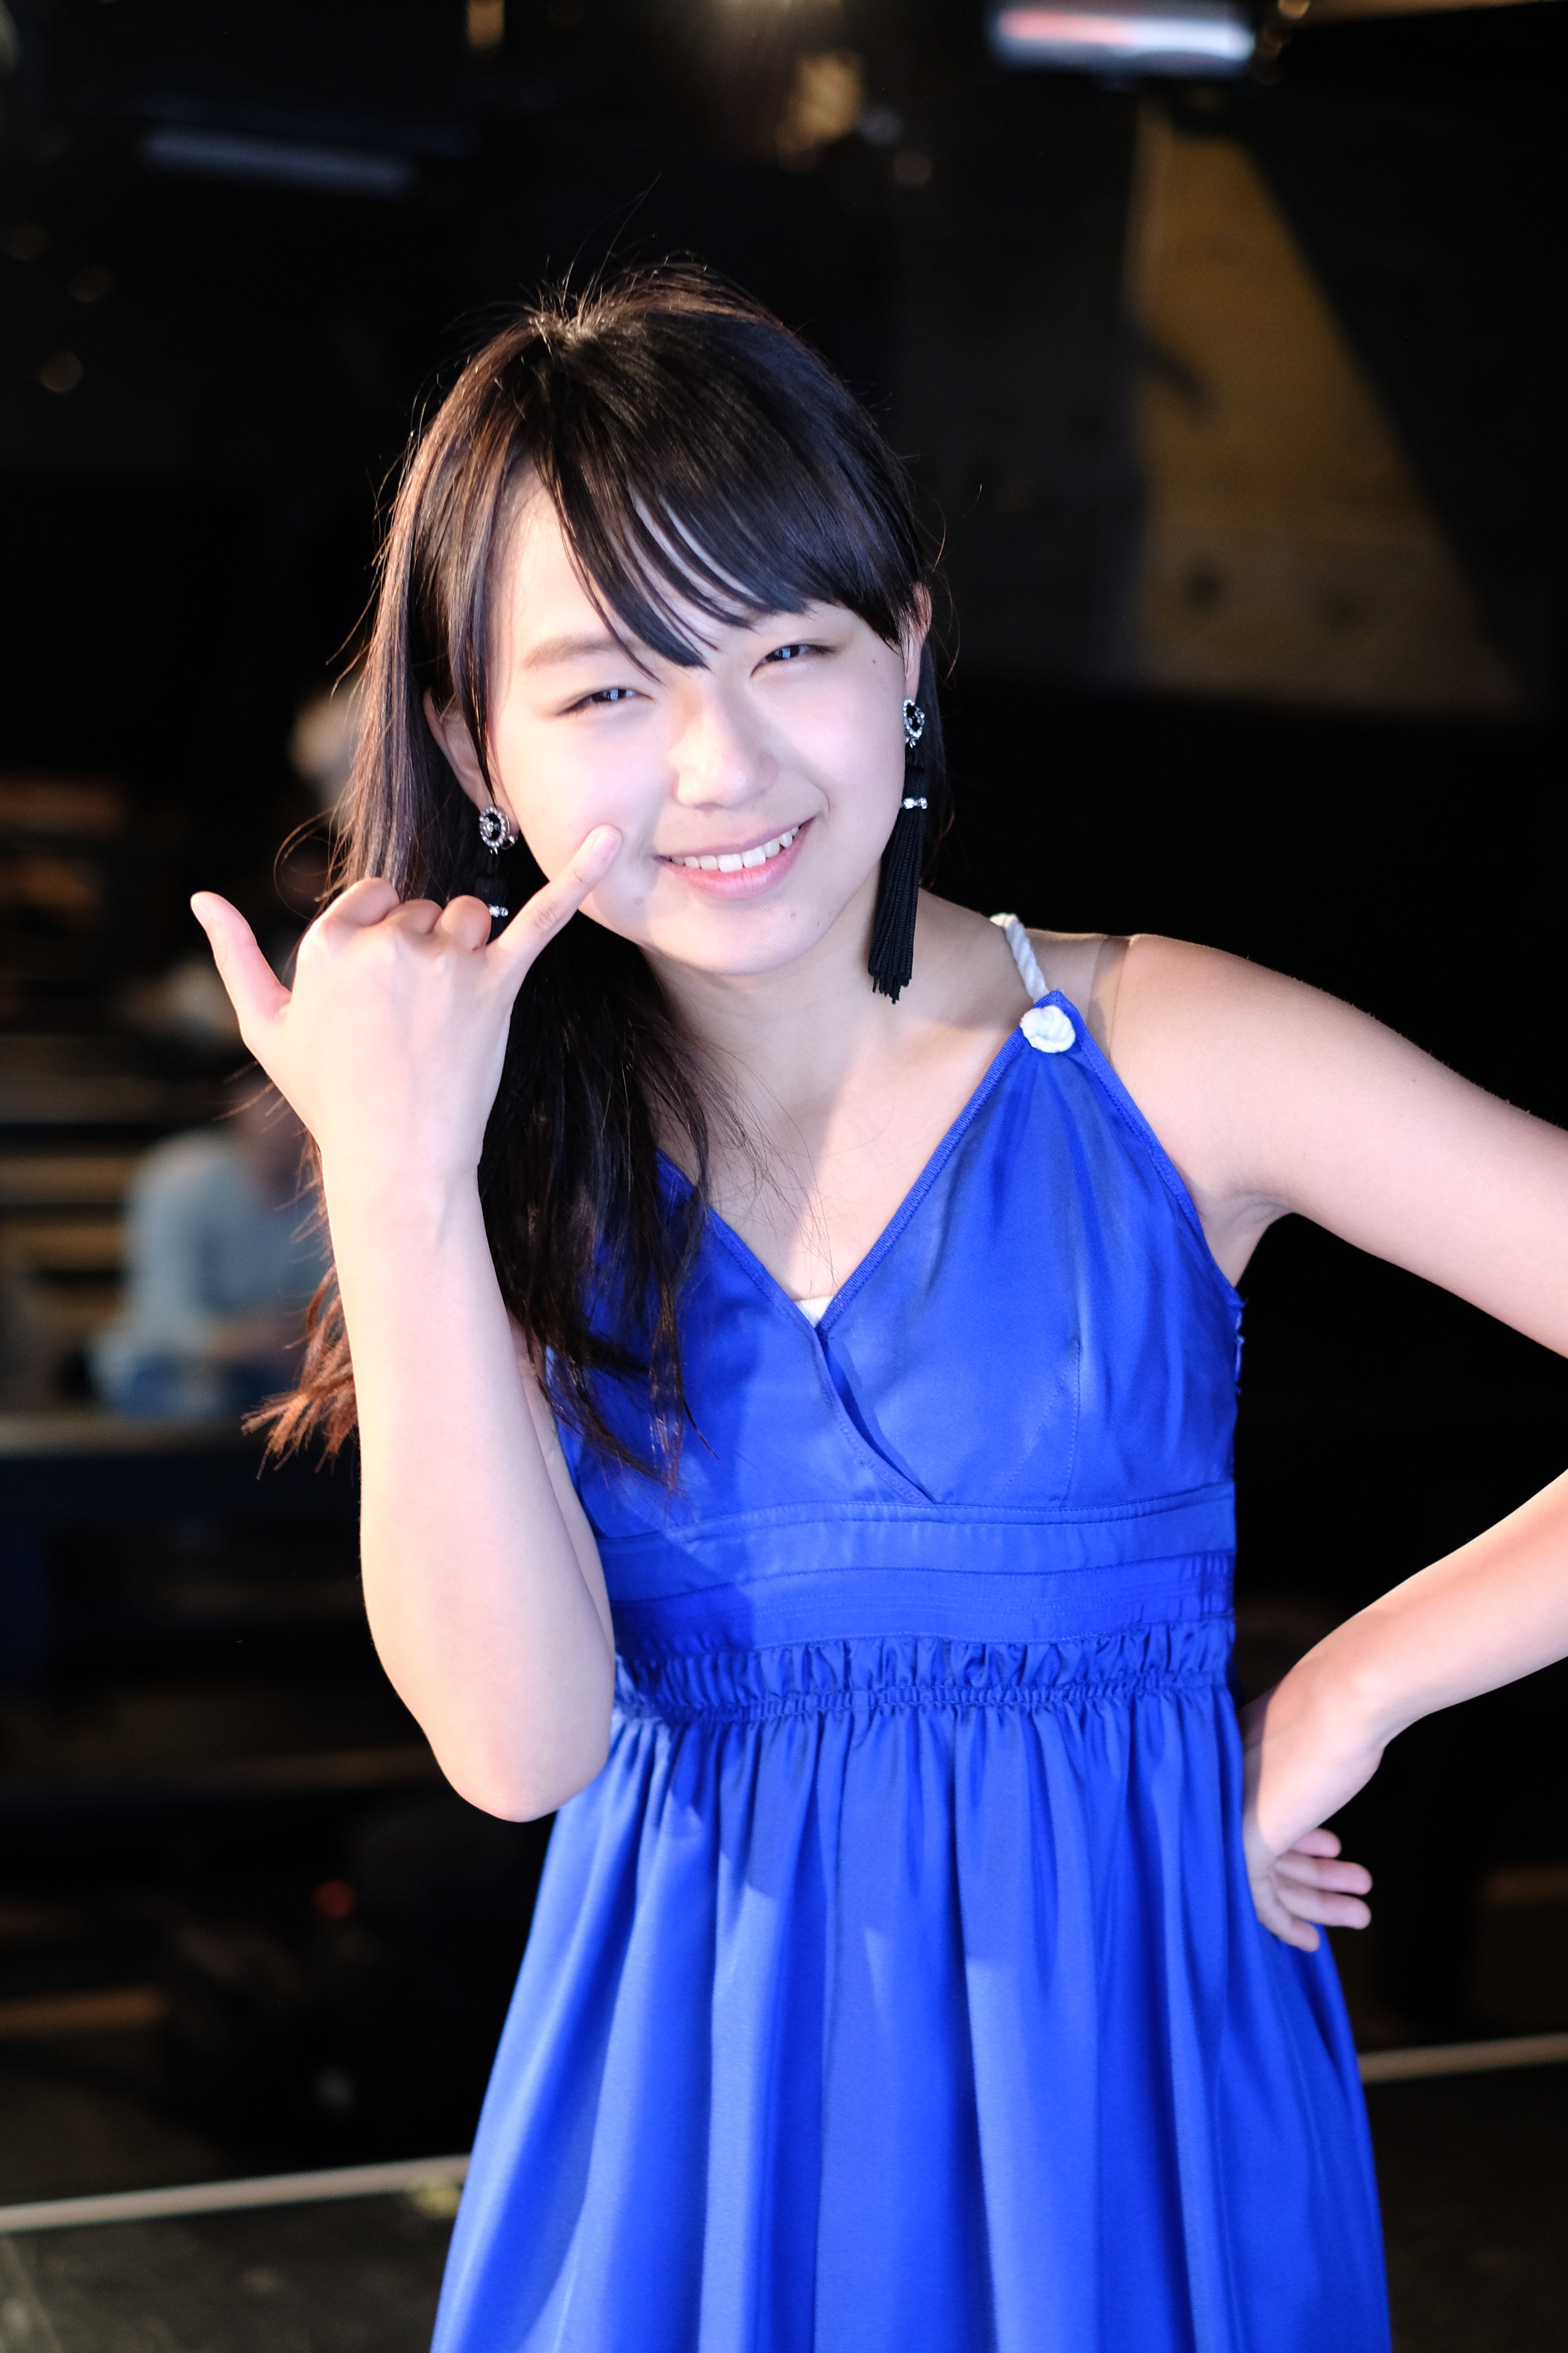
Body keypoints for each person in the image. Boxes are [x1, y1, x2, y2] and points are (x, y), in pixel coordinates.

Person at [191, 273, 1568, 2352]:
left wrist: (1352, 1688)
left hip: (1124, 2085)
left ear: (907, 648)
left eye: (787, 649)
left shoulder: (1168, 1050)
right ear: (477, 743)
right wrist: (393, 1176)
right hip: (695, 2112)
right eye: (608, 688)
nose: (720, 760)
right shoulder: (509, 1160)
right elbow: (517, 1745)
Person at [91, 1081, 327, 1418]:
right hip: (162, 1365)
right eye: (275, 1095)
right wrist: (255, 1340)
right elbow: (165, 1320)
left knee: (331, 1407)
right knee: (197, 1402)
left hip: (277, 1370)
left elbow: (333, 1321)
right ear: (240, 1100)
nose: (292, 1112)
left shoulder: (327, 1190)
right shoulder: (180, 1179)